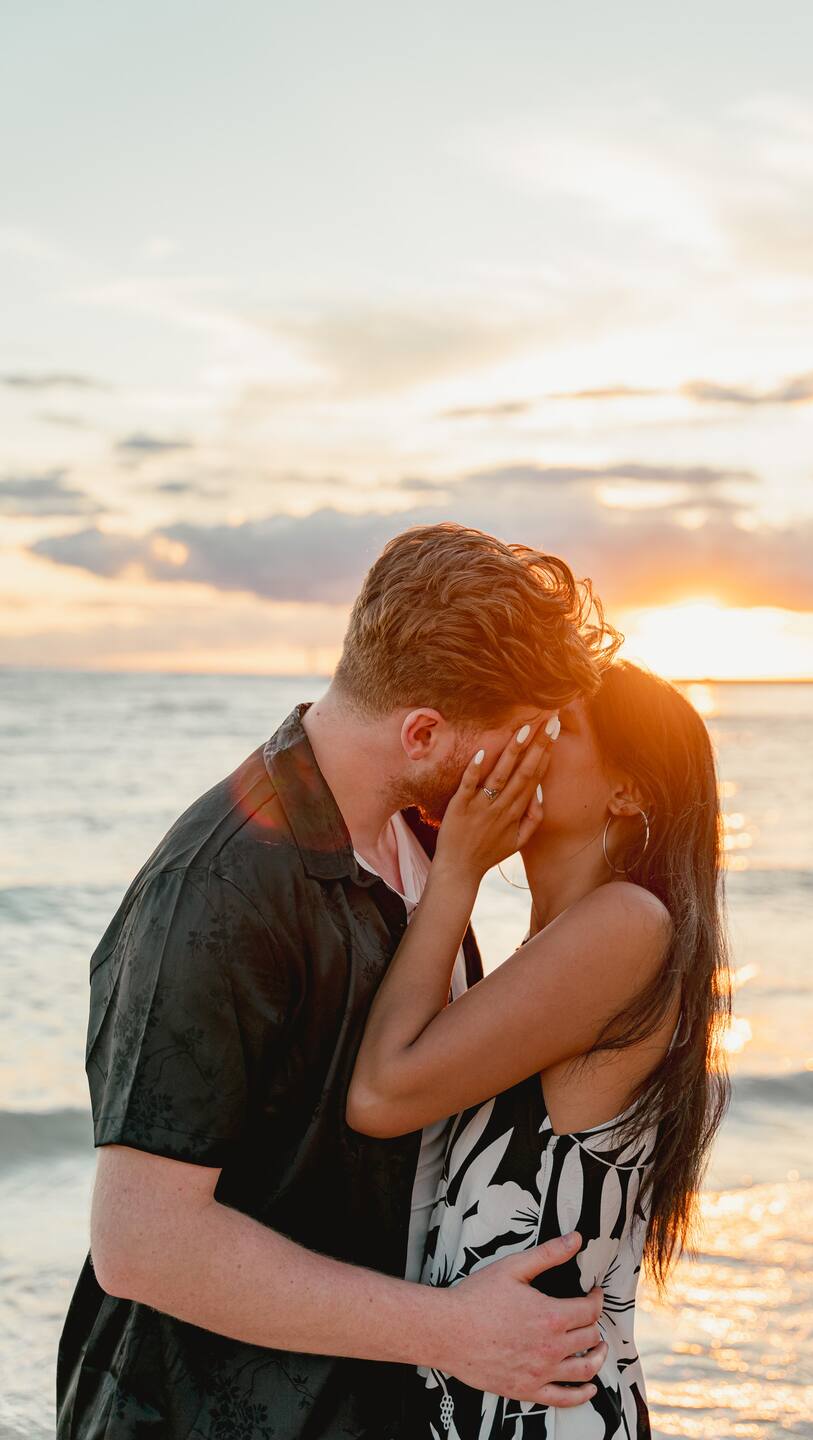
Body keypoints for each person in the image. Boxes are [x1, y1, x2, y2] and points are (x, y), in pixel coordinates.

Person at [56, 522, 623, 1440]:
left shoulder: (425, 844)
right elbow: (141, 1244)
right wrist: (449, 1332)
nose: (533, 763)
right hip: (198, 1415)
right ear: (425, 731)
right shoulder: (217, 889)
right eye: (516, 738)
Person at [347, 660, 732, 1438]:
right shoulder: (556, 950)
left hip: (543, 1417)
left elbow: (381, 1096)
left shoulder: (627, 926)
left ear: (628, 791)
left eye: (559, 724)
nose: (525, 736)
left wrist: (455, 870)